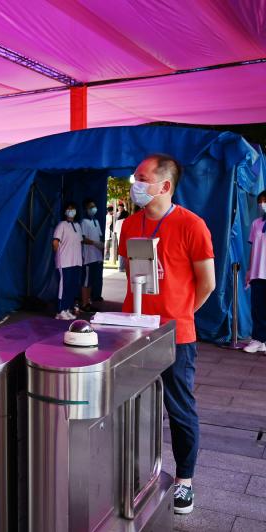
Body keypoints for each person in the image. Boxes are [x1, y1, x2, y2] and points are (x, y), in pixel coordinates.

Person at [119, 154, 215, 515]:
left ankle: (184, 480)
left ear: (165, 186)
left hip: (176, 333)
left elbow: (207, 283)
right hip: (133, 330)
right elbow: (130, 273)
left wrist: (181, 314)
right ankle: (135, 472)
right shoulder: (130, 224)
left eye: (143, 178)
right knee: (132, 404)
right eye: (135, 178)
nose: (136, 184)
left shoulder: (192, 225)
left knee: (179, 408)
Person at [244, 190, 266, 353]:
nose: (262, 205)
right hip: (258, 273)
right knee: (257, 307)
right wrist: (249, 270)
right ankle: (258, 339)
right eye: (260, 202)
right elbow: (253, 249)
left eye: (265, 201)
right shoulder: (256, 224)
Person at [52, 201, 83, 320]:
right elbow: (55, 242)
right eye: (69, 209)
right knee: (63, 286)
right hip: (64, 262)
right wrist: (59, 255)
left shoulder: (78, 226)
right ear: (65, 211)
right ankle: (60, 311)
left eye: (73, 209)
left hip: (76, 261)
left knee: (72, 286)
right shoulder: (62, 225)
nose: (71, 211)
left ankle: (67, 309)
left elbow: (80, 242)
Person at [80, 198, 104, 311]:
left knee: (91, 281)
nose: (93, 209)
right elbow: (83, 239)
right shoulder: (84, 222)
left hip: (96, 256)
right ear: (86, 209)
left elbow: (99, 236)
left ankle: (88, 302)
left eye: (94, 206)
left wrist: (101, 247)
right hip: (88, 257)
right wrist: (95, 243)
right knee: (86, 281)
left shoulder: (96, 221)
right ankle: (84, 304)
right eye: (90, 207)